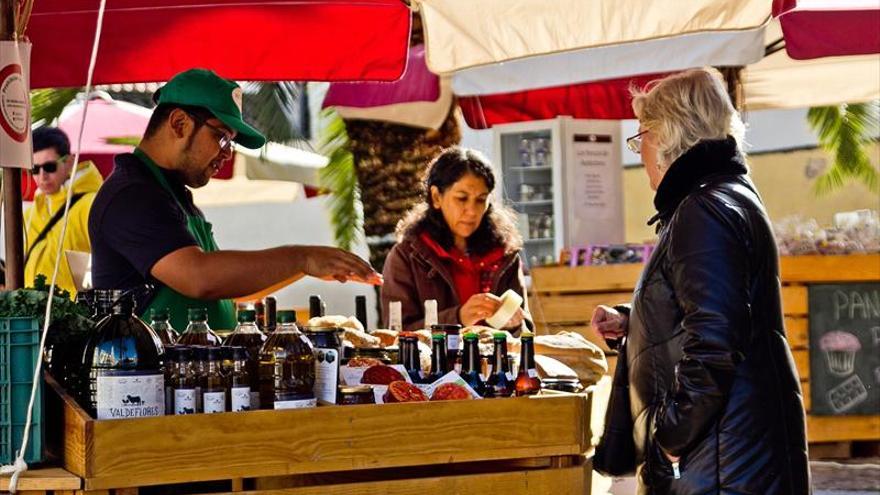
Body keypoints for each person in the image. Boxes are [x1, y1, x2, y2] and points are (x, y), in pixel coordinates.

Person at [590, 69, 809, 494]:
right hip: (733, 452)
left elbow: (715, 340)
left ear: (669, 135)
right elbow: (712, 310)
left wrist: (672, 437)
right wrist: (633, 322)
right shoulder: (724, 196)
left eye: (642, 136)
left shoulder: (704, 209)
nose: (641, 153)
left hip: (722, 460)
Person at [89, 68, 380, 331]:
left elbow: (224, 288)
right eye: (223, 138)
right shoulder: (133, 195)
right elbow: (200, 278)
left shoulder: (172, 194)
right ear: (179, 123)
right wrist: (302, 258)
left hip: (191, 378)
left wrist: (305, 268)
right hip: (144, 382)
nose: (228, 154)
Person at [381, 147, 532, 333]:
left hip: (496, 362)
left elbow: (527, 331)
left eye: (480, 200)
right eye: (462, 198)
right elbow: (396, 334)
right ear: (436, 197)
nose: (472, 211)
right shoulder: (407, 257)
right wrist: (457, 318)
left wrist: (516, 325)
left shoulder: (504, 254)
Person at [25, 127, 104, 298]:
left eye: (49, 167)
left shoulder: (91, 204)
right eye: (34, 169)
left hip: (77, 318)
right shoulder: (29, 214)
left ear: (69, 162)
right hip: (31, 318)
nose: (42, 176)